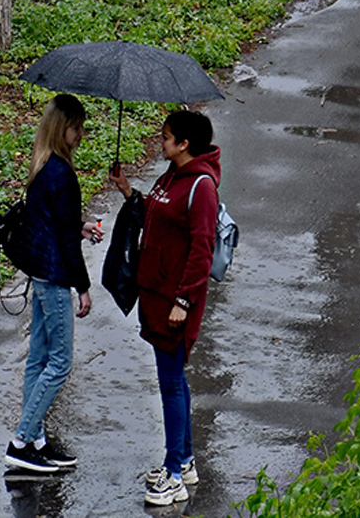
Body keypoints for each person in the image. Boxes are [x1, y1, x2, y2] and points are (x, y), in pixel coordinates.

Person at [109, 109, 220, 506]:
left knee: (171, 383)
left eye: (167, 135)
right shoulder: (171, 176)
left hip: (174, 302)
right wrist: (128, 192)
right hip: (155, 296)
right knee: (175, 379)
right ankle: (185, 460)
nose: (161, 140)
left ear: (185, 143)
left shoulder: (201, 186)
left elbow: (202, 249)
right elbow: (158, 216)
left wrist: (184, 300)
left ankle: (173, 473)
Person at [4, 94, 103, 473]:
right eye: (77, 128)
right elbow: (63, 241)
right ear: (63, 129)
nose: (81, 134)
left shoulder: (43, 166)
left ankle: (38, 440)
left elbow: (58, 226)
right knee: (60, 363)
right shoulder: (62, 173)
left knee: (38, 360)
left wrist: (81, 227)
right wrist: (83, 286)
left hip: (41, 273)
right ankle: (20, 440)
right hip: (56, 276)